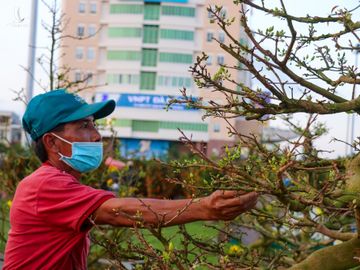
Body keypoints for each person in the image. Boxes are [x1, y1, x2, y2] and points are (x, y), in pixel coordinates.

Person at [3, 89, 258, 269]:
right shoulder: (44, 185)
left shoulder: (61, 183)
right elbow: (117, 212)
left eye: (93, 124)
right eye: (84, 126)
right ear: (51, 142)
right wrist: (205, 208)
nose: (96, 135)